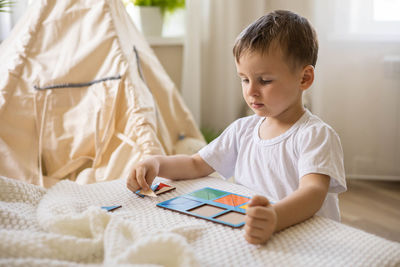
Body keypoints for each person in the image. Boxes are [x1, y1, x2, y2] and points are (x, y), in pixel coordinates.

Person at [127, 10, 346, 245]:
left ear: (304, 78)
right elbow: (196, 164)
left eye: (265, 80)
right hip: (257, 231)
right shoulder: (243, 129)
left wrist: (275, 217)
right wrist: (157, 163)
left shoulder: (315, 135)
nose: (251, 91)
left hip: (308, 237)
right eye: (244, 79)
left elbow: (312, 194)